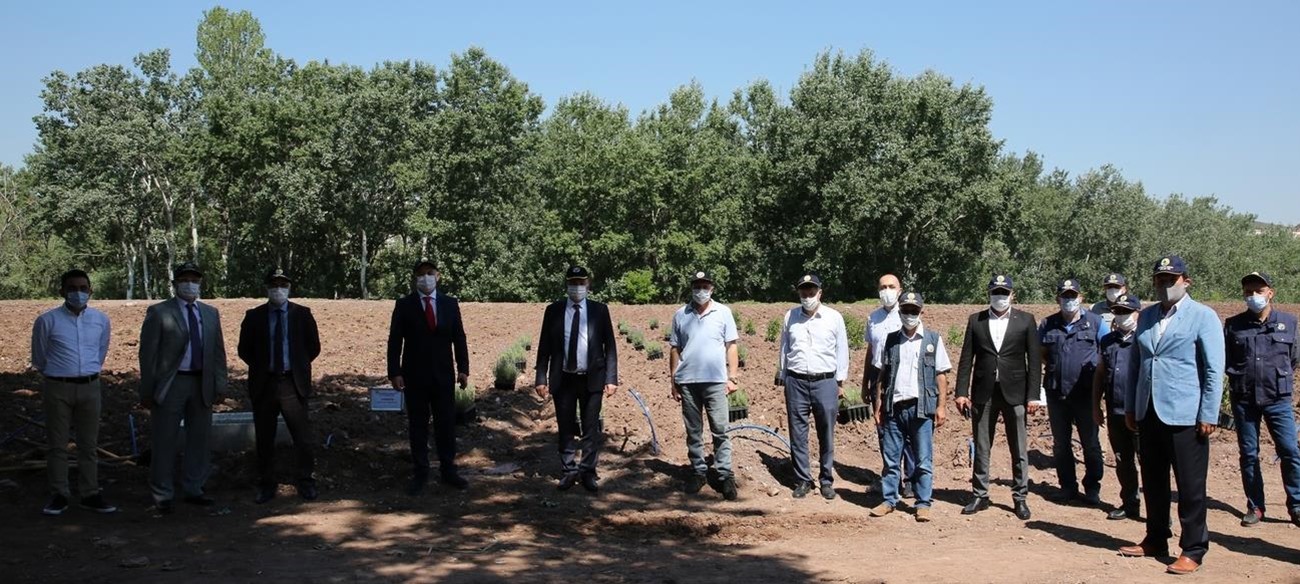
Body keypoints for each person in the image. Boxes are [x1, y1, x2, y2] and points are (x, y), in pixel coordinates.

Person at [1118, 255, 1225, 575]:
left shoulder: (1203, 316)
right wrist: (1132, 406)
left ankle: (1193, 548)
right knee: (1152, 480)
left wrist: (1209, 412)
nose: (1165, 285)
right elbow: (1136, 364)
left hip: (1186, 415)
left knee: (1190, 487)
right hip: (1149, 411)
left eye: (1171, 280)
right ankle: (1155, 538)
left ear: (1186, 281)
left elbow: (1213, 369)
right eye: (1160, 280)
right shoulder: (1147, 316)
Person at [139, 262, 229, 514]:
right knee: (164, 438)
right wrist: (147, 390)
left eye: (195, 280)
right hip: (172, 383)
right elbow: (148, 354)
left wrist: (220, 383)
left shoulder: (210, 313)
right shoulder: (159, 312)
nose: (190, 284)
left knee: (199, 439)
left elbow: (217, 352)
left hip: (202, 382)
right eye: (185, 279)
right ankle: (162, 493)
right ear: (175, 283)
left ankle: (194, 488)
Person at [954, 274, 1041, 520]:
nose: (1000, 297)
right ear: (989, 295)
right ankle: (980, 494)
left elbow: (1034, 361)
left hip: (1016, 393)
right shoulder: (976, 320)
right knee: (982, 445)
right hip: (984, 392)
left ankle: (1020, 497)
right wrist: (961, 392)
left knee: (1018, 447)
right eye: (996, 293)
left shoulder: (1025, 320)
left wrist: (1033, 395)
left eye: (1004, 293)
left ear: (1012, 295)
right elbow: (966, 359)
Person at [32, 269, 116, 515]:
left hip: (90, 386)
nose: (78, 293)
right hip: (57, 386)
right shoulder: (47, 321)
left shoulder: (101, 320)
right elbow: (39, 357)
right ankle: (60, 493)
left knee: (88, 444)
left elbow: (101, 352)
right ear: (62, 291)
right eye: (72, 288)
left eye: (82, 288)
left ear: (90, 291)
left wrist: (87, 372)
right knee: (57, 444)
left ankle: (90, 493)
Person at [237, 268, 322, 504]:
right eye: (274, 285)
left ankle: (305, 481)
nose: (278, 289)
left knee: (302, 438)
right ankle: (266, 484)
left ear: (289, 288)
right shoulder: (254, 316)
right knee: (264, 438)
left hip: (293, 384)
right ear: (267, 288)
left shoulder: (302, 314)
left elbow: (313, 347)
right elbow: (244, 350)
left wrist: (296, 367)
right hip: (265, 383)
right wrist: (264, 367)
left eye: (283, 285)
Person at [1223, 271, 1300, 527]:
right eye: (1248, 292)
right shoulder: (1234, 325)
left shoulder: (1289, 323)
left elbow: (1294, 359)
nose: (1253, 296)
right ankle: (1255, 506)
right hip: (1244, 397)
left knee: (1290, 451)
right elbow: (1227, 360)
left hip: (1278, 398)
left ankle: (1297, 504)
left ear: (1270, 293)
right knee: (1249, 453)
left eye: (1258, 290)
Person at [387, 260, 470, 495]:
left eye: (430, 273)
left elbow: (459, 338)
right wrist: (394, 372)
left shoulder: (450, 304)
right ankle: (421, 472)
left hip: (443, 376)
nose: (425, 278)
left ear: (438, 276)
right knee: (418, 426)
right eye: (421, 274)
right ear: (415, 279)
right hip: (414, 376)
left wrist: (463, 368)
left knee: (445, 425)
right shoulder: (404, 305)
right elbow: (395, 340)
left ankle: (448, 470)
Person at [534, 266, 619, 493]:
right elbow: (544, 347)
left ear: (588, 284)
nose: (577, 287)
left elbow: (609, 346)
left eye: (581, 283)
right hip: (564, 379)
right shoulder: (553, 310)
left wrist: (611, 378)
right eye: (573, 282)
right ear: (567, 285)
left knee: (591, 428)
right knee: (565, 426)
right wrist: (541, 377)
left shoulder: (600, 311)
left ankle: (588, 471)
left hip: (592, 378)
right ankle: (569, 470)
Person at [871, 292, 949, 521]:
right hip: (894, 408)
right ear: (900, 312)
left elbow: (941, 375)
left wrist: (941, 406)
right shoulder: (891, 340)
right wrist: (878, 404)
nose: (910, 315)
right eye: (906, 310)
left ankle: (923, 502)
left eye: (914, 311)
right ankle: (889, 500)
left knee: (923, 459)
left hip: (922, 408)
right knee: (891, 459)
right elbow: (882, 375)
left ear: (921, 312)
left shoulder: (933, 340)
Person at [775, 274, 850, 500]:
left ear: (820, 292)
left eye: (811, 292)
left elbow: (842, 350)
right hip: (796, 380)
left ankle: (826, 480)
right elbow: (784, 347)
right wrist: (783, 373)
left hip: (825, 381)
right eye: (803, 292)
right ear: (798, 293)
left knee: (826, 432)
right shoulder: (791, 316)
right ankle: (803, 479)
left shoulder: (833, 318)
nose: (807, 296)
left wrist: (839, 381)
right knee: (798, 432)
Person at [669, 271, 740, 500]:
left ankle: (724, 475)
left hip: (716, 381)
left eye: (705, 285)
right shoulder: (681, 314)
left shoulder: (723, 312)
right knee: (694, 431)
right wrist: (673, 380)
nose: (701, 290)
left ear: (712, 288)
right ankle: (698, 471)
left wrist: (733, 376)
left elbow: (731, 345)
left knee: (720, 429)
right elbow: (674, 348)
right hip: (688, 381)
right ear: (692, 288)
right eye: (697, 285)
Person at [1039, 278, 1108, 506]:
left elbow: (1107, 354)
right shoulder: (1047, 324)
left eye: (1073, 295)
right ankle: (1067, 487)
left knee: (1090, 443)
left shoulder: (1096, 323)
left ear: (1081, 298)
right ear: (1057, 299)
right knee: (1061, 443)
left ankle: (1092, 488)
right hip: (1057, 394)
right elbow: (1041, 353)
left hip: (1085, 394)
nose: (1069, 300)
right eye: (1064, 296)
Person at [1092, 293, 1143, 520]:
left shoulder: (1145, 340)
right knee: (1123, 461)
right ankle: (1129, 503)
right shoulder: (1107, 341)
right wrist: (1095, 404)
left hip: (1141, 413)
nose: (1122, 316)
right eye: (1118, 312)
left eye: (1126, 312)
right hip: (1115, 411)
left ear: (1137, 313)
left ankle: (1157, 510)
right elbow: (1101, 374)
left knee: (1149, 463)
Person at [863, 273, 913, 498]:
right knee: (883, 429)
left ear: (900, 289)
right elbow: (871, 351)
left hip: (901, 376)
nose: (887, 291)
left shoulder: (908, 314)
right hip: (877, 376)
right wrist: (866, 383)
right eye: (883, 287)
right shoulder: (873, 318)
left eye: (891, 286)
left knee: (907, 432)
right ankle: (891, 478)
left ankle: (911, 480)